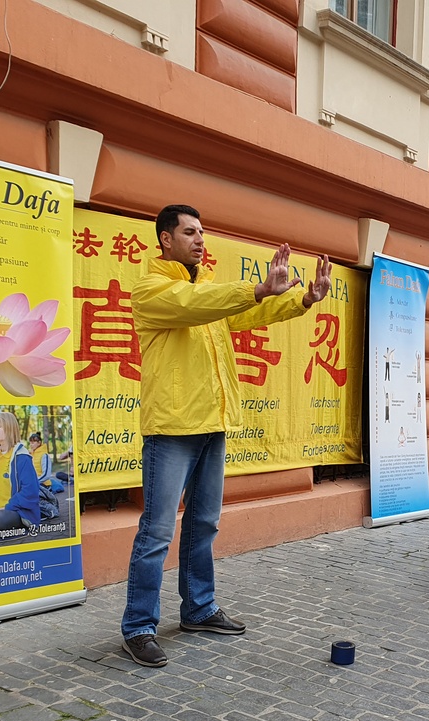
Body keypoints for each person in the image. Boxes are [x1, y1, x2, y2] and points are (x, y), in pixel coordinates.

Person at [120, 204, 332, 668]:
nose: (200, 239)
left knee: (204, 524)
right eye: (189, 232)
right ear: (165, 239)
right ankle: (138, 627)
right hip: (172, 429)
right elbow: (193, 305)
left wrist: (304, 300)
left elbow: (248, 314)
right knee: (157, 532)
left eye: (202, 232)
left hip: (211, 425)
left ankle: (198, 609)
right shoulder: (151, 289)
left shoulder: (210, 292)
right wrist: (256, 288)